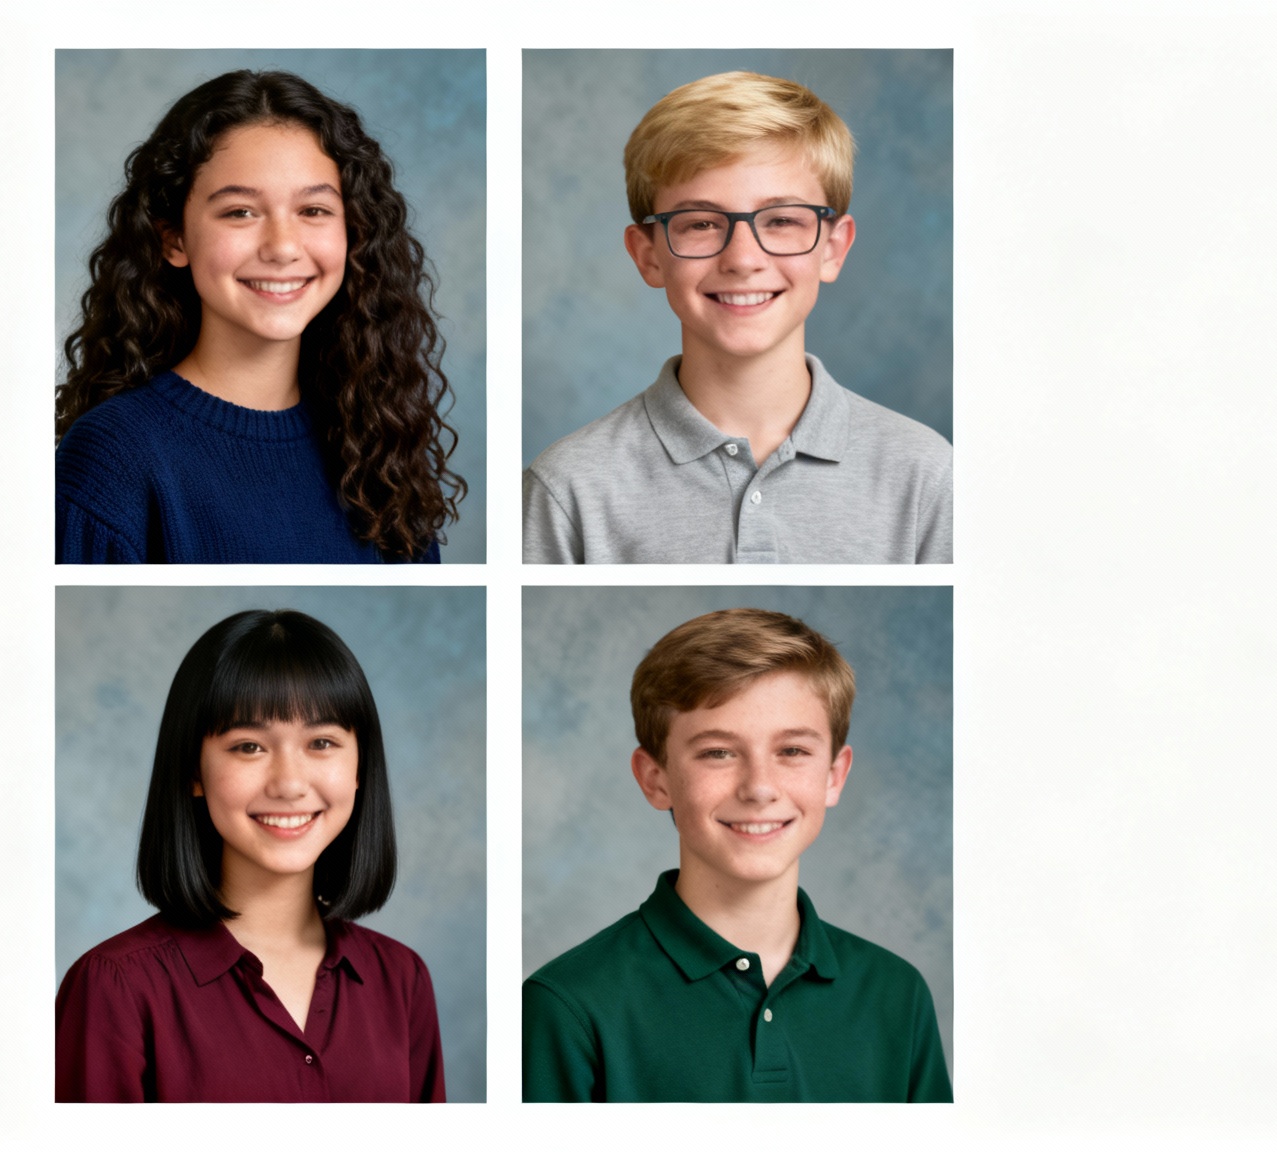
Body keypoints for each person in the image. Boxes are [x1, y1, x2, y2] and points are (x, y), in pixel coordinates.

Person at [522, 71, 952, 564]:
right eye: (702, 224)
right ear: (648, 256)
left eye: (783, 220)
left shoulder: (927, 473)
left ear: (833, 249)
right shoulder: (568, 488)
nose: (743, 259)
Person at [522, 608, 950, 1102]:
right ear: (655, 779)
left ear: (834, 775)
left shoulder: (897, 995)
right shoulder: (570, 1006)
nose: (759, 788)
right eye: (718, 753)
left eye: (791, 751)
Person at [56, 70, 464, 563]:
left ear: (353, 232)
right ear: (174, 239)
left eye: (313, 210)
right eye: (240, 213)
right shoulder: (114, 457)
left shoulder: (379, 448)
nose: (282, 248)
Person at [56, 609, 445, 1102]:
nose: (288, 784)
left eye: (322, 742)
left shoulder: (402, 979)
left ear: (359, 768)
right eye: (248, 747)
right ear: (193, 770)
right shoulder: (114, 987)